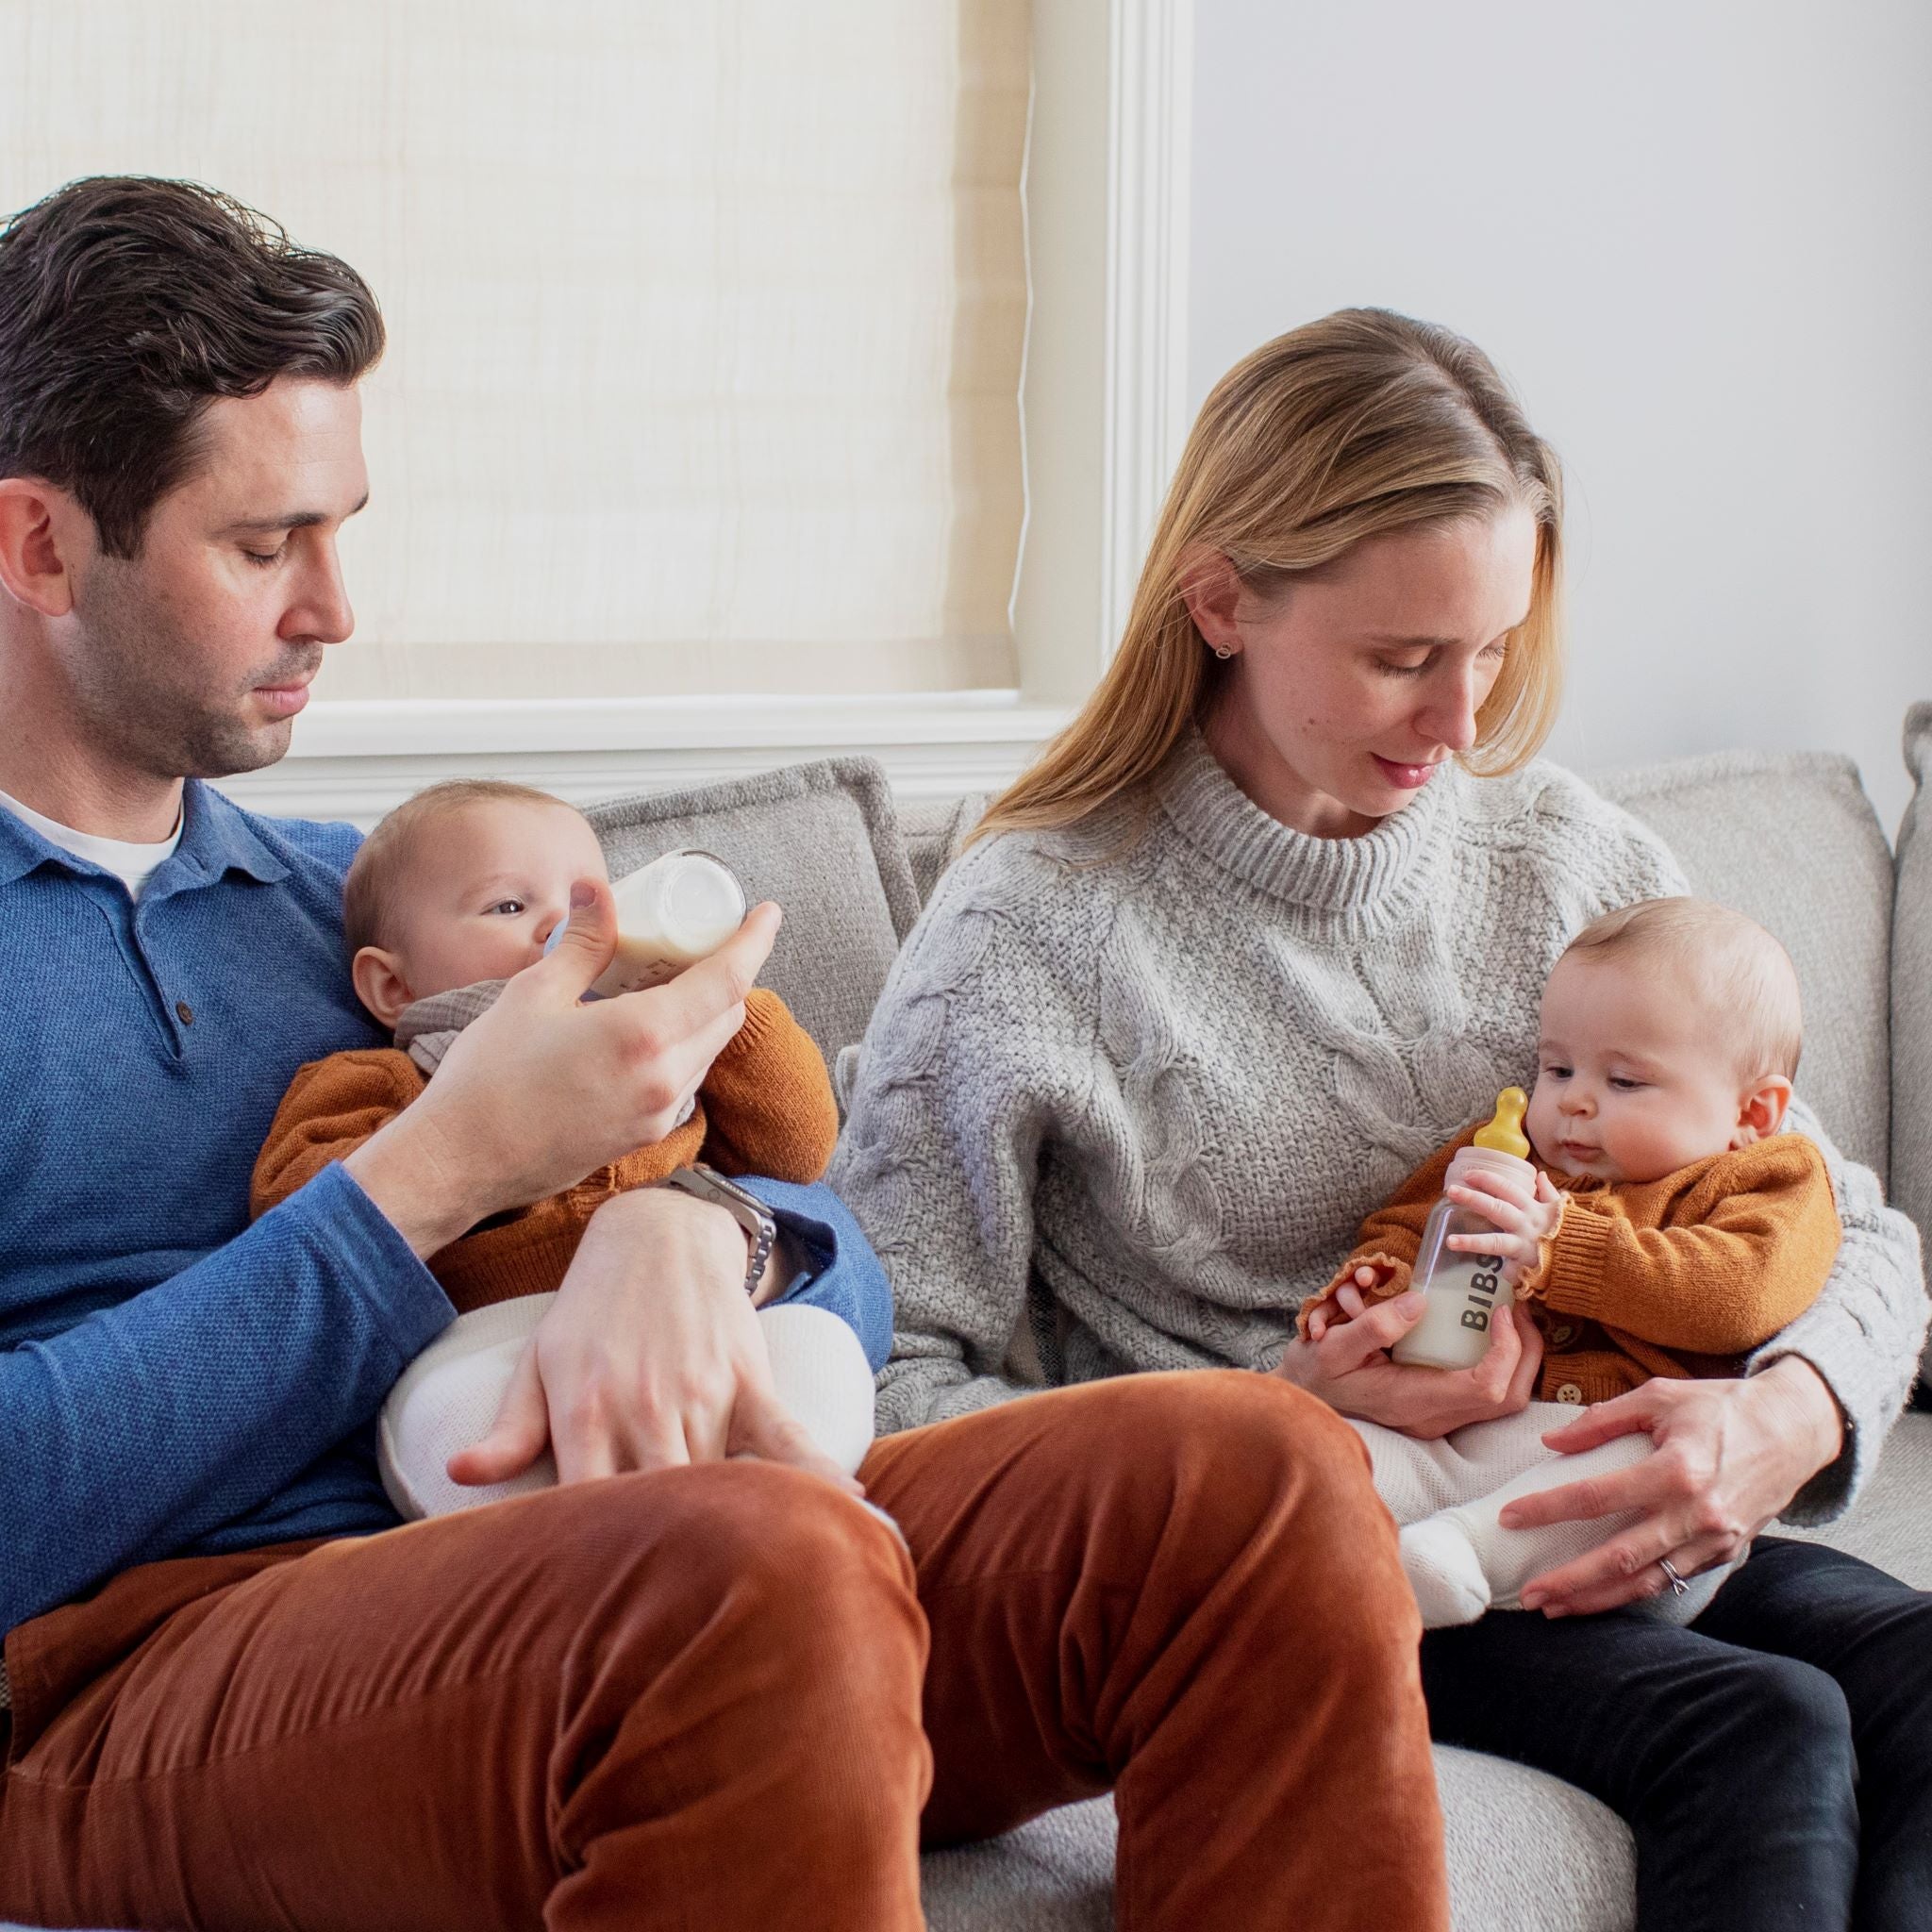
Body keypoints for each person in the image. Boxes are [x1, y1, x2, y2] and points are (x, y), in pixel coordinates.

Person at [0, 178, 1449, 1931]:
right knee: (758, 1567)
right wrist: (436, 1176)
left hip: (553, 1555)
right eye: (262, 545)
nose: (335, 608)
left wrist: (696, 1233)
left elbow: (842, 1277)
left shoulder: (368, 904)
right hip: (123, 1665)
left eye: (340, 531)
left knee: (1251, 1477)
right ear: (41, 546)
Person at [835, 308, 1932, 1929]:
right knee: (1760, 1723)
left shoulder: (1569, 858)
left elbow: (1849, 1226)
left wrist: (1782, 1419)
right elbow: (875, 1392)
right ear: (1220, 600)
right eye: (1401, 658)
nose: (1460, 718)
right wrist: (1274, 1409)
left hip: (1598, 1472)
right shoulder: (1028, 930)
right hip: (1311, 1564)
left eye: (1488, 648)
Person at [250, 776, 883, 1516]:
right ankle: (647, 1526)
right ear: (391, 985)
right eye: (509, 906)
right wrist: (468, 1136)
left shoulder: (664, 1046)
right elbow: (296, 1221)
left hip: (695, 1316)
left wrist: (727, 1008)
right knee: (450, 1427)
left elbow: (798, 1153)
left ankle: (758, 1504)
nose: (570, 930)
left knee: (820, 1353)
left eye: (591, 900)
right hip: (494, 1340)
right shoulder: (377, 1079)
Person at [1300, 895, 1839, 1627]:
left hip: (1616, 1456)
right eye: (1557, 1068)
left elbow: (1738, 1294)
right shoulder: (1514, 1148)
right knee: (1331, 1457)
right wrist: (1374, 1289)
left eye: (1623, 1082)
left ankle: (1458, 1558)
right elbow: (1407, 1227)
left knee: (1635, 1477)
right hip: (1454, 1444)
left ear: (1752, 1115)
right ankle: (1344, 1549)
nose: (1573, 1104)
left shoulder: (1770, 1178)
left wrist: (1563, 1246)